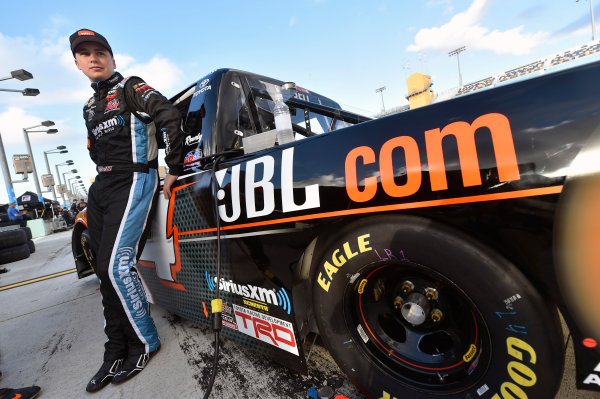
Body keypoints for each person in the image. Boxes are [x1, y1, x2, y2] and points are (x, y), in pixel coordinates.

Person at [70, 28, 183, 392]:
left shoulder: (131, 87)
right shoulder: (89, 107)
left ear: (112, 58)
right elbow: (93, 151)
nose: (93, 58)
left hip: (134, 180)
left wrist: (174, 167)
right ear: (77, 63)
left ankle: (145, 341)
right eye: (85, 54)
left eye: (100, 51)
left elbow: (170, 116)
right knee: (104, 273)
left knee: (116, 266)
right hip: (101, 188)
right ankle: (115, 348)